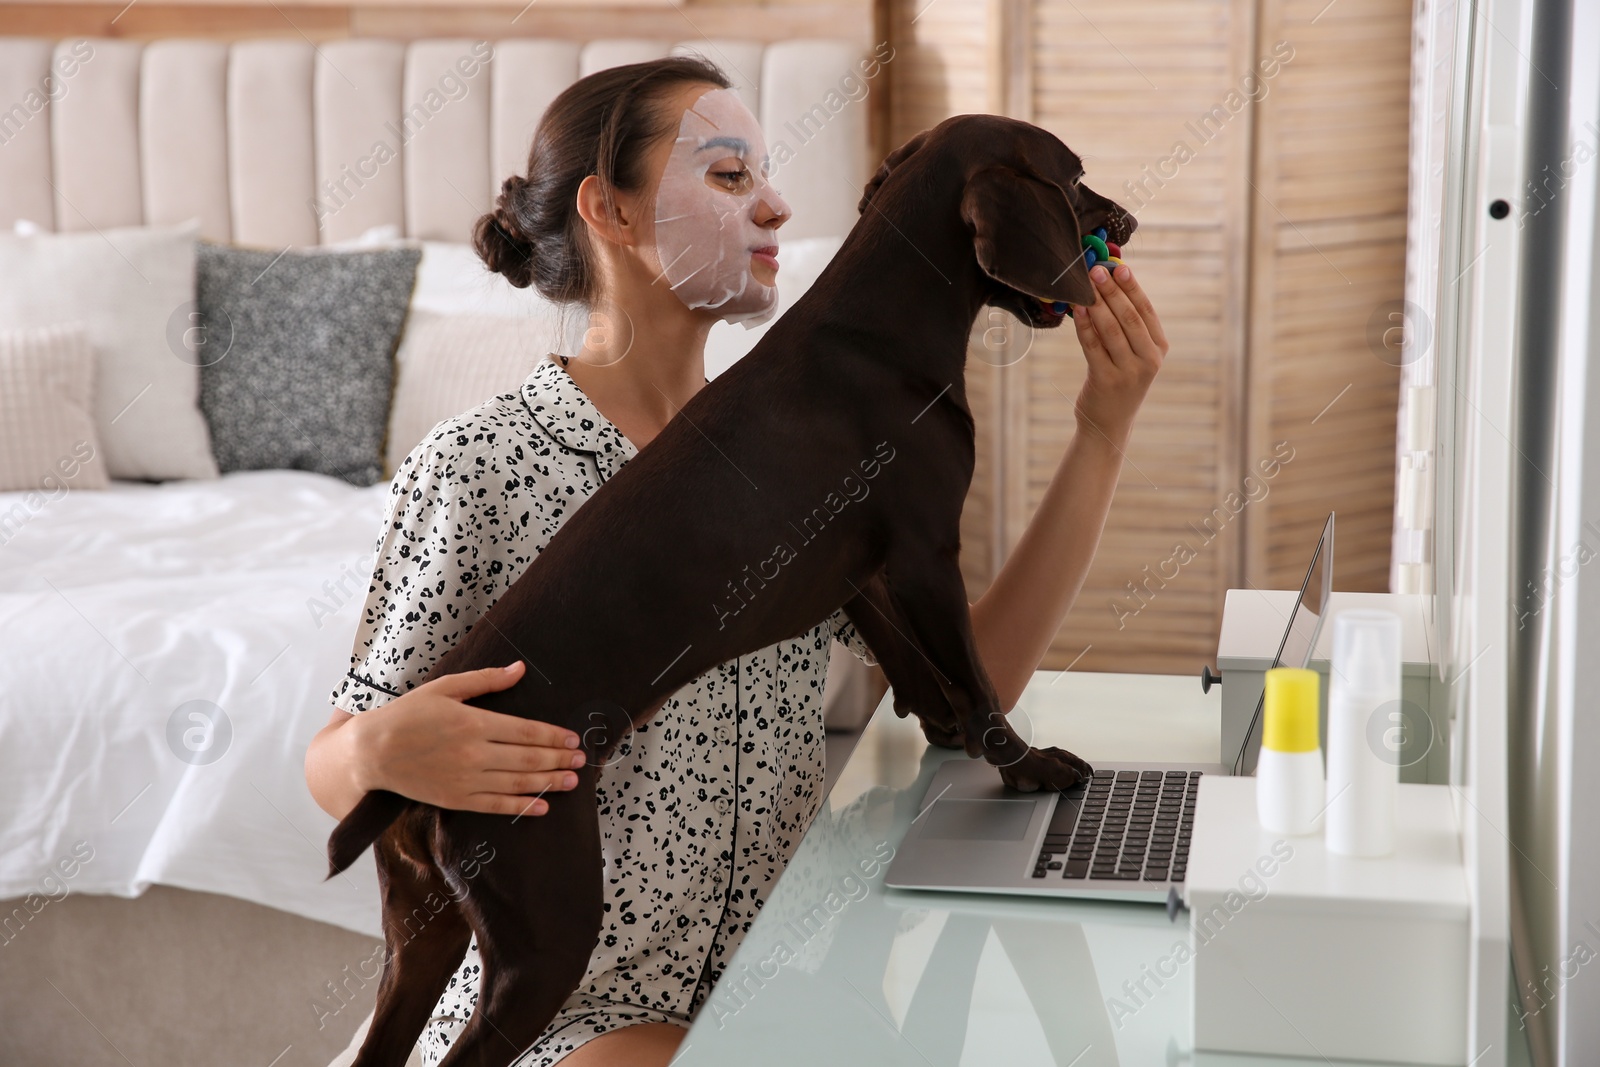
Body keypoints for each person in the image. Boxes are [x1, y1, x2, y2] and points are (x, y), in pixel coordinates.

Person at [303, 53, 1168, 1067]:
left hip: (781, 979)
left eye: (767, 175)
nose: (775, 206)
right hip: (569, 1005)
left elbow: (976, 679)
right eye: (727, 177)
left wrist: (1102, 432)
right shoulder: (480, 464)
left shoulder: (811, 447)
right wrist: (371, 752)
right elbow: (341, 763)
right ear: (610, 212)